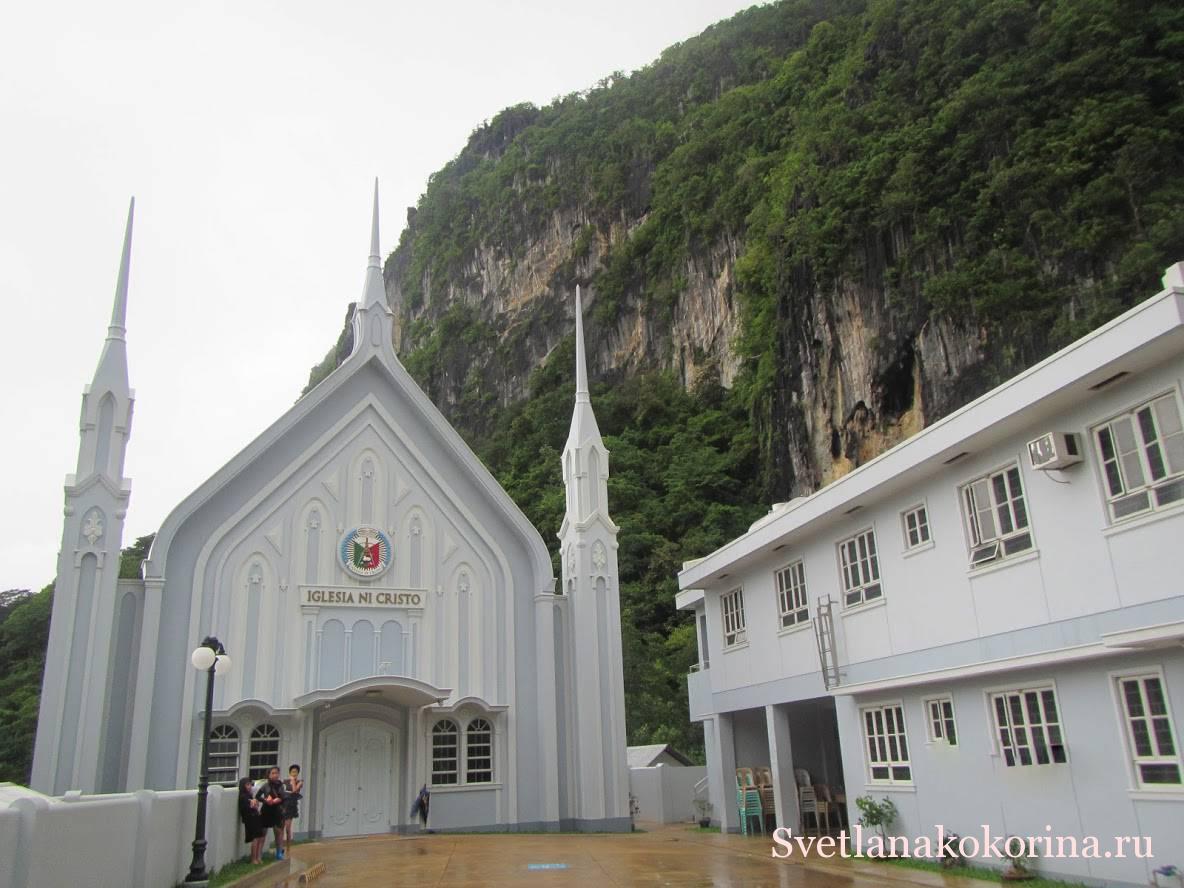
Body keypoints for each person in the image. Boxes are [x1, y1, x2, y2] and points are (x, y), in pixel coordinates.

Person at [255, 767, 288, 861]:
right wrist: (265, 800)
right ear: (269, 775)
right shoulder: (265, 786)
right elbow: (257, 796)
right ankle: (259, 856)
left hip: (277, 811)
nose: (275, 775)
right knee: (262, 834)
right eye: (273, 773)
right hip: (266, 810)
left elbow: (284, 797)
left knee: (278, 833)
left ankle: (279, 853)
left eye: (277, 773)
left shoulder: (281, 785)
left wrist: (279, 801)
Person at [238, 777, 265, 865]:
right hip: (250, 819)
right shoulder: (243, 796)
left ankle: (257, 857)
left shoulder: (249, 795)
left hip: (255, 817)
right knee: (255, 838)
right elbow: (249, 806)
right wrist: (253, 803)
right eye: (247, 785)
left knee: (259, 837)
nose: (249, 787)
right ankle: (253, 859)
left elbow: (255, 804)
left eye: (250, 784)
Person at [282, 764, 304, 850]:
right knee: (281, 826)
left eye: (296, 772)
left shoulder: (300, 781)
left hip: (291, 805)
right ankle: (280, 847)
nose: (294, 773)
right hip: (284, 803)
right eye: (292, 772)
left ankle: (288, 846)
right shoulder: (285, 781)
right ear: (289, 772)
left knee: (288, 827)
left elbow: (294, 790)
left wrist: (293, 782)